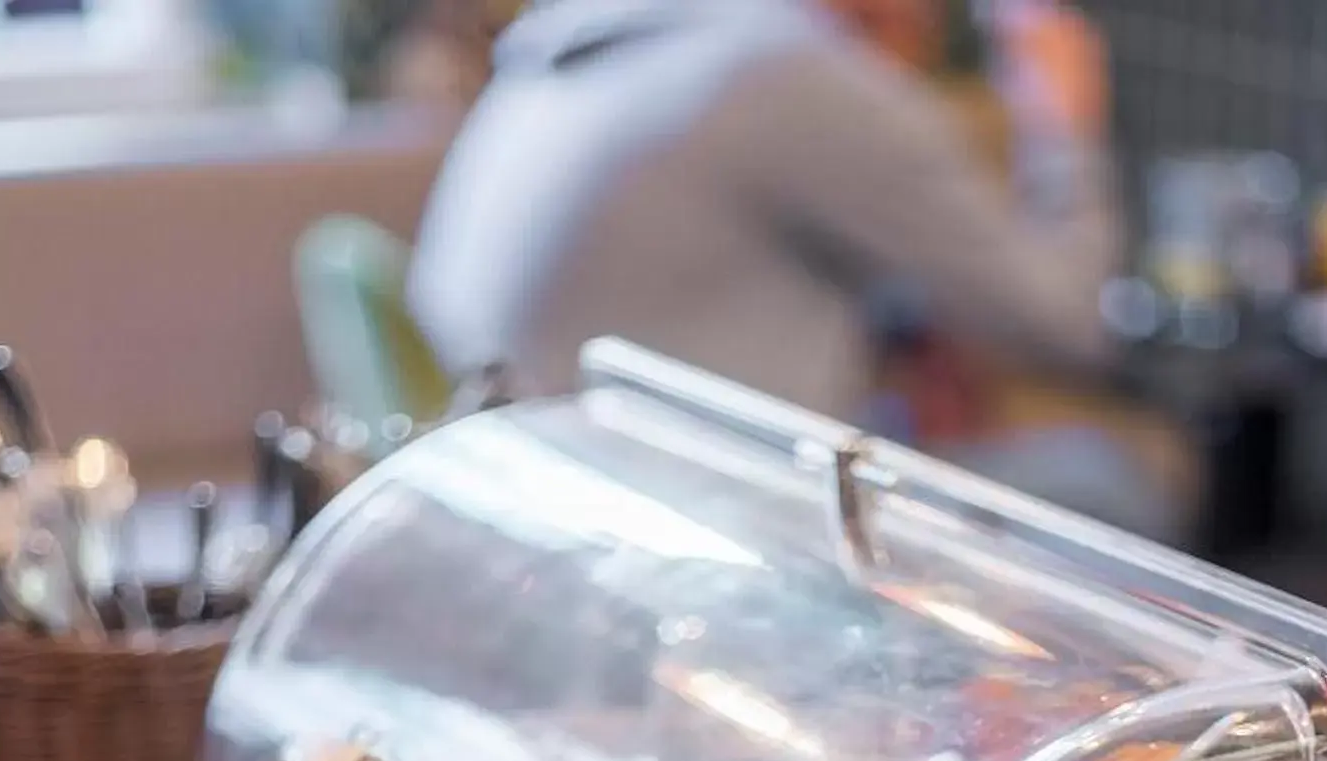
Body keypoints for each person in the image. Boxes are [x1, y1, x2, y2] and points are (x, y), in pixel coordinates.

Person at [406, 0, 1174, 536]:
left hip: (525, 487)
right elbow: (1073, 324)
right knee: (1100, 482)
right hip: (692, 519)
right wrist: (1060, 118)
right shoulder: (781, 67)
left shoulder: (585, 35)